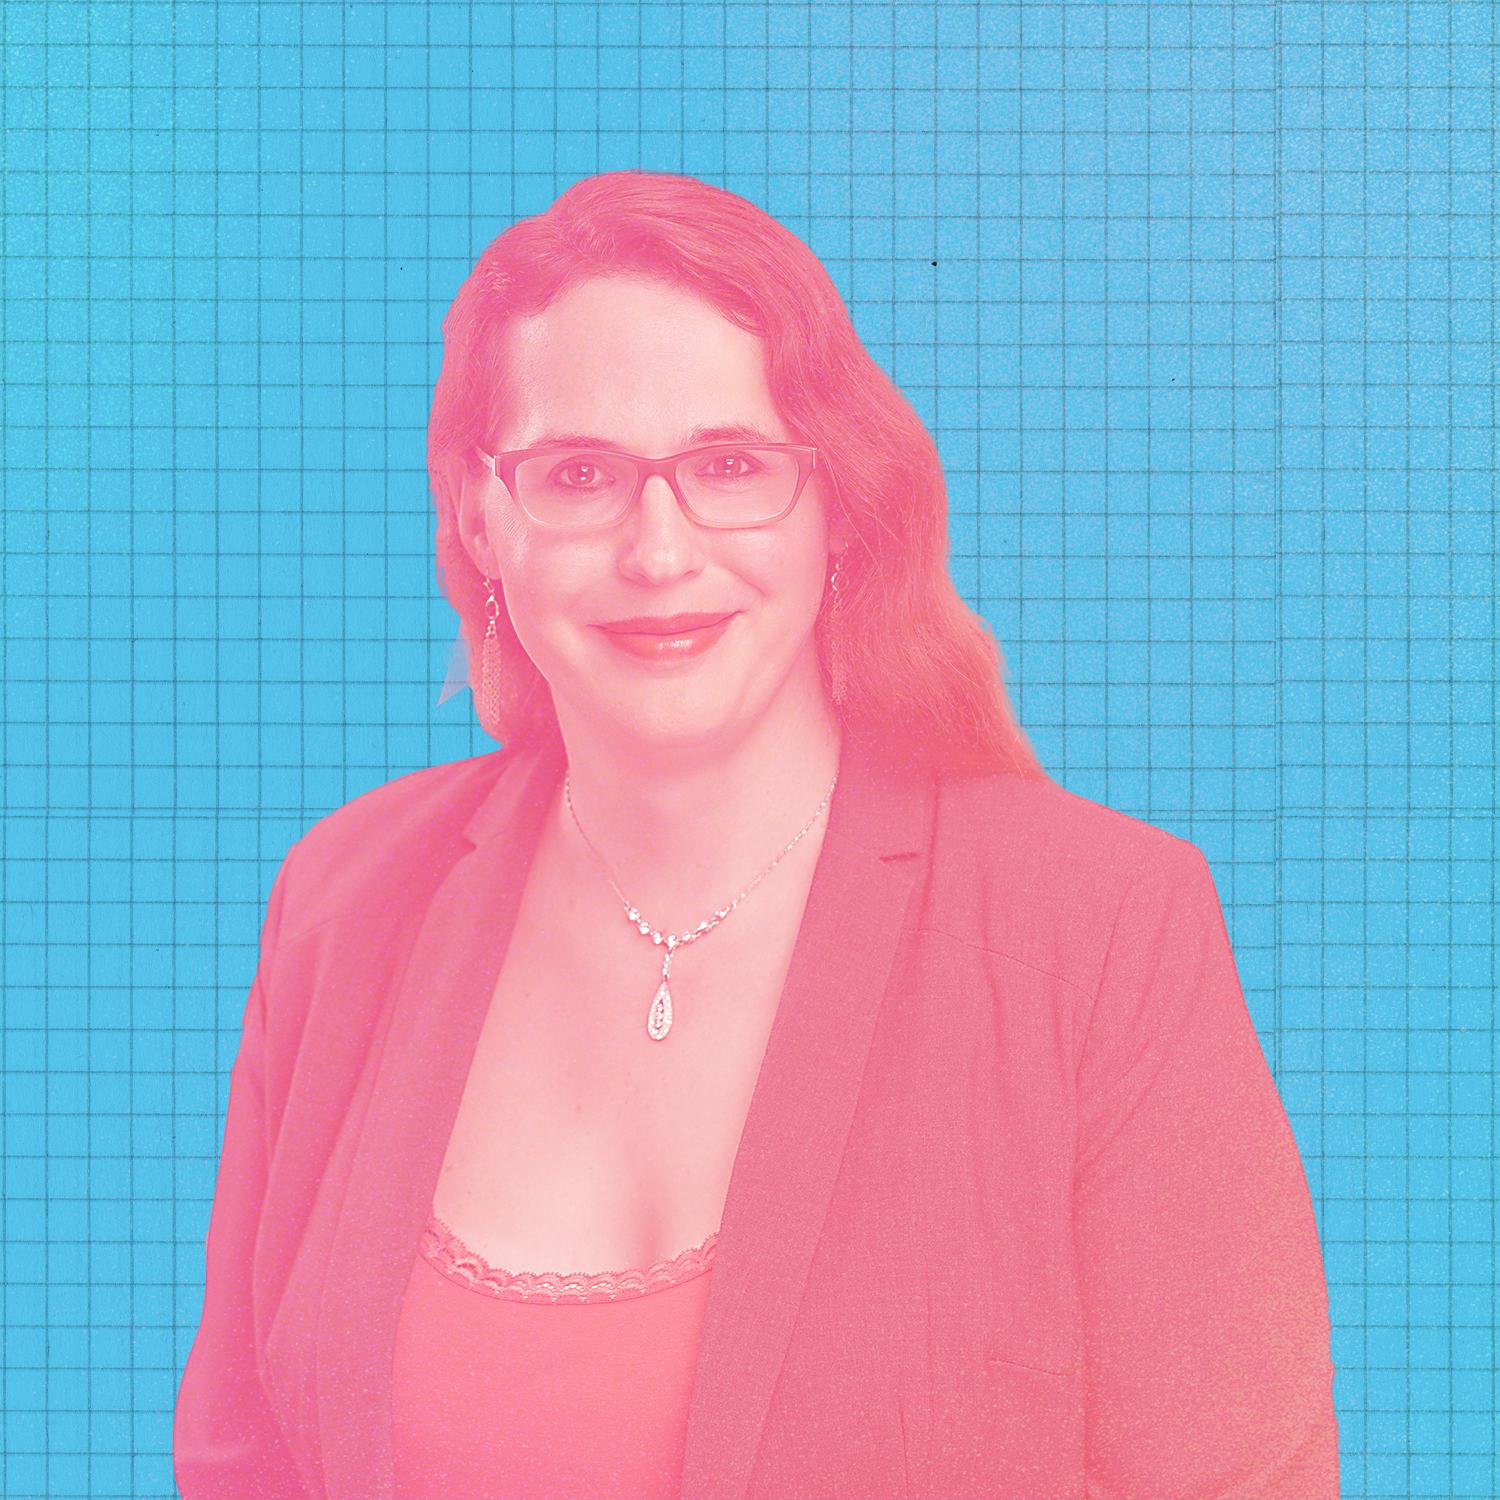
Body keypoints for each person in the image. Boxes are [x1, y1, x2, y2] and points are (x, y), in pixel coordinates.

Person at [173, 169, 1339, 1500]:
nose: (659, 552)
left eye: (730, 466)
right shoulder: (348, 897)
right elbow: (241, 1458)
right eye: (579, 475)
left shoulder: (1100, 925)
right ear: (481, 519)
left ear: (840, 505)